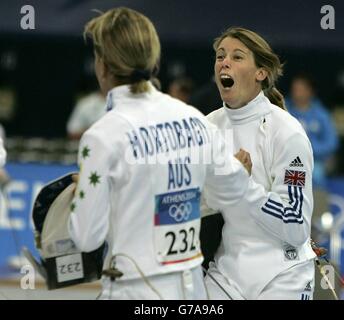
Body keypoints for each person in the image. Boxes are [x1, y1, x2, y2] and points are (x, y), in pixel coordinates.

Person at [67, 8, 258, 300]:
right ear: (153, 60)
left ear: (102, 65)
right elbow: (232, 188)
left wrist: (81, 194)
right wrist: (239, 169)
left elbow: (86, 237)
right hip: (191, 289)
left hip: (133, 289)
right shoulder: (193, 119)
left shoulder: (103, 137)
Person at [202, 27, 316, 300]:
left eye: (237, 57)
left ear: (260, 73)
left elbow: (297, 225)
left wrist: (241, 186)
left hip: (284, 274)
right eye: (220, 56)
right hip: (227, 275)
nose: (225, 62)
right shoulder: (207, 128)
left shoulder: (286, 132)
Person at [285, 74, 338, 238]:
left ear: (310, 91)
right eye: (295, 89)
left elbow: (332, 142)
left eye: (301, 89)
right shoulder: (285, 109)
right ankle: (289, 215)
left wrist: (308, 149)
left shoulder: (321, 114)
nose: (297, 92)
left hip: (314, 163)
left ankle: (317, 220)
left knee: (317, 172)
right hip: (288, 162)